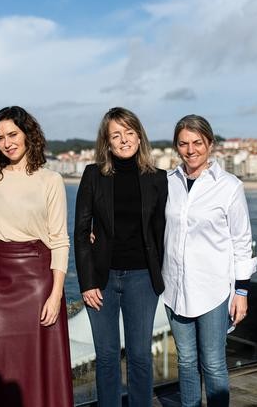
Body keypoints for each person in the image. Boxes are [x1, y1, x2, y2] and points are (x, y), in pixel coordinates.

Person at [0, 106, 73, 407]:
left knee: (39, 364)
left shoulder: (50, 180)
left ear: (28, 134)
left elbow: (59, 240)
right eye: (0, 137)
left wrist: (56, 294)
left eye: (13, 134)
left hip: (36, 281)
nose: (7, 142)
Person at [74, 106, 168, 407]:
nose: (124, 139)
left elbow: (165, 231)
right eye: (116, 134)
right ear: (107, 142)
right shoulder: (92, 175)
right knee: (107, 356)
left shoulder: (158, 178)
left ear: (139, 137)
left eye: (129, 132)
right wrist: (87, 282)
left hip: (142, 278)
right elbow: (80, 231)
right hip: (101, 279)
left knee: (140, 355)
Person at [162, 114, 257, 407]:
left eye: (197, 143)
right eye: (184, 143)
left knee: (214, 363)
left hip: (213, 289)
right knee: (187, 361)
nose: (191, 150)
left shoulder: (230, 187)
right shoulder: (168, 183)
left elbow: (242, 241)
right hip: (174, 289)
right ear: (176, 147)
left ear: (210, 144)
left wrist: (241, 291)